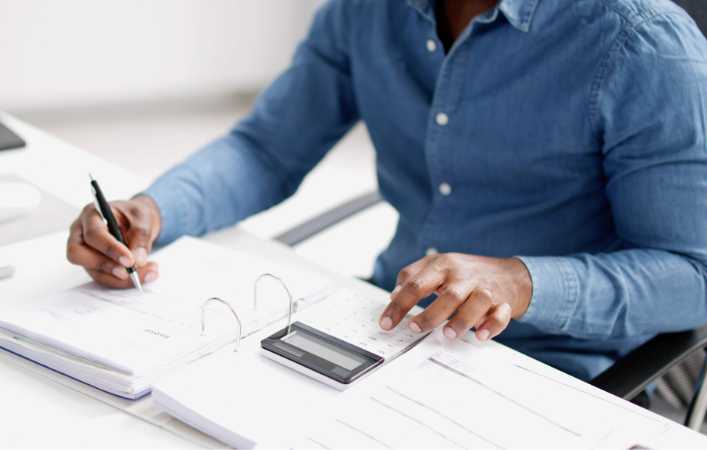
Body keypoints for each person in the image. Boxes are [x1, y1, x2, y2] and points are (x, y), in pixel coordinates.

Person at [66, 0, 707, 385]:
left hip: (548, 368)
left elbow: (692, 272)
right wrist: (152, 211)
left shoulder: (644, 45)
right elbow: (267, 148)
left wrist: (519, 281)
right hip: (381, 327)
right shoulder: (366, 10)